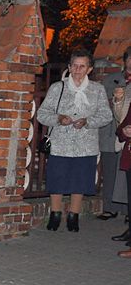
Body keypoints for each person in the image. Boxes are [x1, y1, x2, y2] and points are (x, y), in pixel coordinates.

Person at [36, 49, 112, 232]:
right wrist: (58, 118)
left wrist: (88, 121)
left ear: (89, 69)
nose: (78, 70)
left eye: (82, 66)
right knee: (57, 179)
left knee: (80, 180)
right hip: (60, 143)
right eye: (75, 66)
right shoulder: (58, 87)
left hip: (86, 144)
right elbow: (42, 114)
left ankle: (73, 215)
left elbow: (106, 115)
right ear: (69, 67)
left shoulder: (97, 89)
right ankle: (55, 214)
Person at [102, 46, 131, 229]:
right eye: (130, 58)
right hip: (111, 130)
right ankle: (109, 207)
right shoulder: (111, 80)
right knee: (110, 170)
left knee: (125, 173)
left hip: (128, 133)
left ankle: (127, 212)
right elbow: (101, 103)